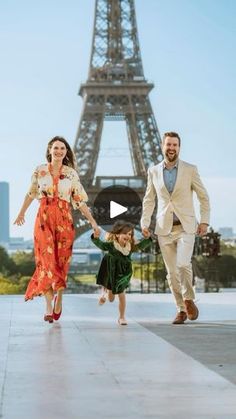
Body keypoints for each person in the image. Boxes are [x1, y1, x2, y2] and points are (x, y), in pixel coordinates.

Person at [14, 136, 99, 323]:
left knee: (61, 261)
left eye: (62, 148)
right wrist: (21, 213)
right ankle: (47, 305)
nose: (59, 151)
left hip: (64, 219)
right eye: (56, 148)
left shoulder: (71, 174)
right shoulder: (40, 170)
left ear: (66, 152)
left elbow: (80, 201)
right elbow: (30, 194)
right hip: (43, 218)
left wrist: (93, 222)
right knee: (45, 261)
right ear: (50, 150)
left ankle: (59, 296)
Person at [141, 132, 210, 324]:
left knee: (182, 264)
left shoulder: (190, 169)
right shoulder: (153, 171)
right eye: (168, 145)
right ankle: (180, 308)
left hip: (186, 226)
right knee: (171, 273)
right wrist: (145, 223)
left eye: (175, 145)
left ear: (179, 147)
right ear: (162, 146)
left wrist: (204, 221)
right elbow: (149, 199)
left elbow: (203, 197)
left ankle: (188, 298)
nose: (171, 148)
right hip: (164, 228)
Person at [91, 221, 152, 325]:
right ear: (117, 234)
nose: (128, 236)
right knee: (111, 299)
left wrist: (147, 238)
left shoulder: (130, 246)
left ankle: (122, 317)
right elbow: (101, 245)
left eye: (130, 234)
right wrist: (95, 237)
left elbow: (141, 246)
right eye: (125, 233)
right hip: (111, 272)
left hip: (123, 274)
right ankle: (107, 291)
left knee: (122, 294)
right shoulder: (111, 245)